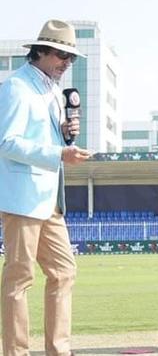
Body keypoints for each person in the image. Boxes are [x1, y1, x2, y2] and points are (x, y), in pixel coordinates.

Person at [0, 19, 91, 355]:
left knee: (64, 272)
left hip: (50, 200)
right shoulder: (16, 88)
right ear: (40, 51)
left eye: (71, 58)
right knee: (19, 280)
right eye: (61, 55)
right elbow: (6, 142)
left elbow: (42, 137)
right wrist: (58, 152)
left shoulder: (51, 90)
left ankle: (58, 350)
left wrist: (65, 135)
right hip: (22, 199)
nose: (67, 63)